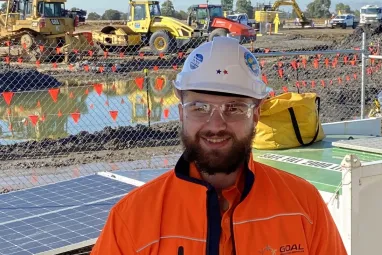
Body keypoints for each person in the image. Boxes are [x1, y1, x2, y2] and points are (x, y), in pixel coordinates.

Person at [90, 37, 347, 255]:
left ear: (256, 115)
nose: (216, 125)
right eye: (199, 108)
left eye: (234, 108)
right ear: (181, 113)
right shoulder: (132, 219)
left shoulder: (303, 205)